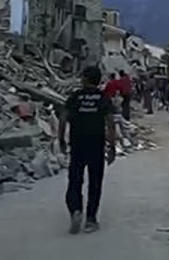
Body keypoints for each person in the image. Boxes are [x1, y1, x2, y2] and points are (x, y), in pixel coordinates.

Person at [59, 66, 117, 234]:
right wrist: (111, 146)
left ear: (85, 79)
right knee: (95, 183)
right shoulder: (103, 98)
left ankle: (76, 210)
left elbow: (63, 119)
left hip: (77, 145)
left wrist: (61, 139)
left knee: (75, 181)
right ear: (98, 80)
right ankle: (91, 219)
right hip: (96, 146)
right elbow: (110, 124)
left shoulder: (75, 97)